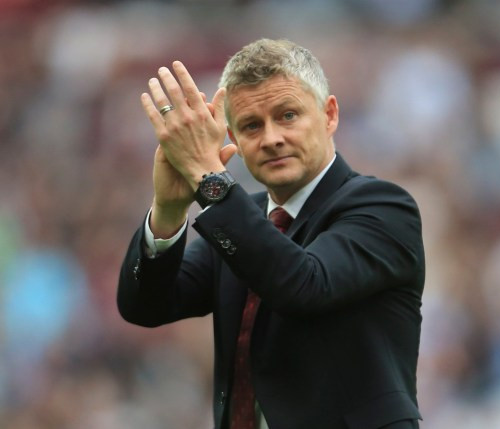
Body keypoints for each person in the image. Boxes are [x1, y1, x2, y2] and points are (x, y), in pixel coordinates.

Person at [117, 38, 425, 429]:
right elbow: (145, 307)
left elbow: (304, 285)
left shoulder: (383, 206)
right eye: (251, 125)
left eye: (288, 115)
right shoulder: (239, 219)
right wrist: (168, 209)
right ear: (235, 141)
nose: (272, 138)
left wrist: (209, 179)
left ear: (329, 115)